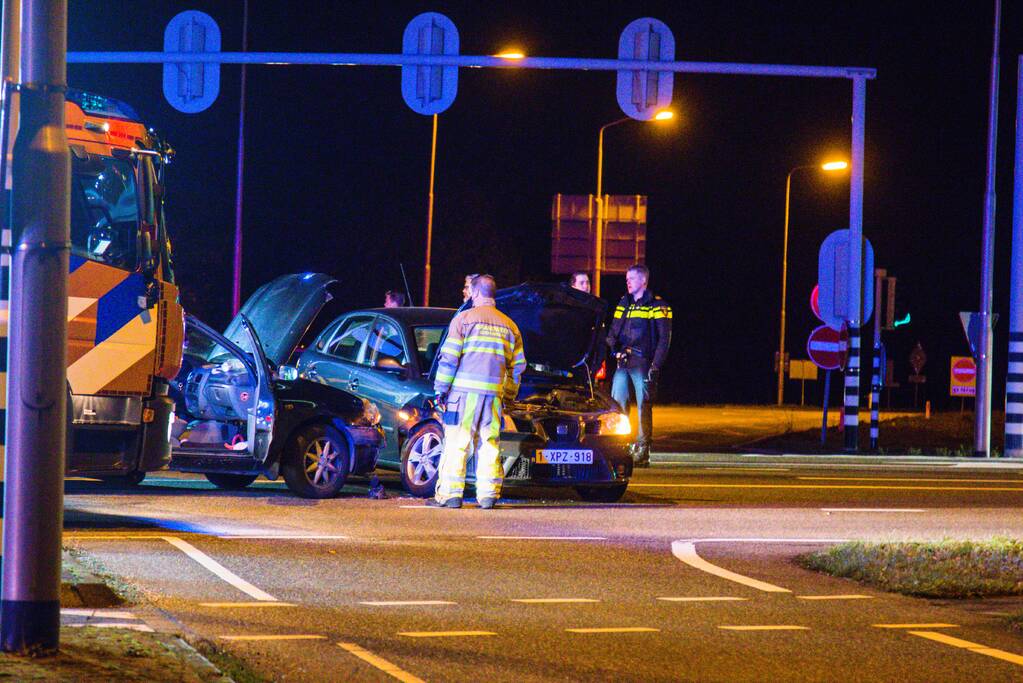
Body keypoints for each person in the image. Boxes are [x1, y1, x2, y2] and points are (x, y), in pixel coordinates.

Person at [432, 274, 525, 509]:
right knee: (490, 444)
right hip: (493, 397)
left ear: (475, 293)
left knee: (457, 443)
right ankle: (487, 495)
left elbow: (449, 360)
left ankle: (451, 495)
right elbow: (517, 368)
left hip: (463, 396)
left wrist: (440, 391)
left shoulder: (463, 320)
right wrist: (508, 396)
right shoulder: (510, 326)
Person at [606, 264, 672, 468]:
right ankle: (622, 446)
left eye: (632, 278)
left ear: (644, 281)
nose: (628, 282)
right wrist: (614, 351)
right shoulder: (623, 303)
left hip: (643, 362)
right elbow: (612, 334)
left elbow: (664, 339)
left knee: (644, 406)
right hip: (623, 362)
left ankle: (643, 450)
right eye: (627, 278)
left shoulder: (657, 305)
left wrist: (655, 365)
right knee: (618, 406)